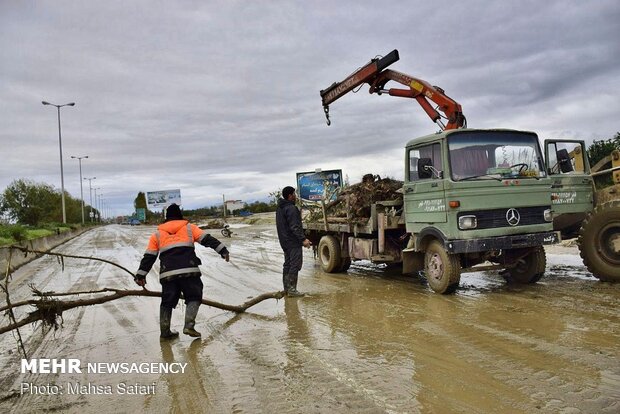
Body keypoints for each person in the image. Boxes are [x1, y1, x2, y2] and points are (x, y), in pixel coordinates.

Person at [134, 203, 230, 339]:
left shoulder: (157, 235)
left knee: (167, 301)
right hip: (189, 270)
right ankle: (189, 326)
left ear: (166, 217)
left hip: (168, 274)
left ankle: (165, 332)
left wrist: (140, 275)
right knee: (194, 296)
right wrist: (223, 250)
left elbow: (149, 257)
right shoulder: (189, 228)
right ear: (180, 215)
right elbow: (208, 240)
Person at [276, 186, 312, 297]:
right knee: (295, 265)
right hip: (292, 242)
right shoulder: (291, 208)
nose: (295, 196)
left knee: (287, 264)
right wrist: (303, 239)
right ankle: (292, 289)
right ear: (290, 196)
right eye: (294, 194)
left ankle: (286, 289)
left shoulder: (280, 208)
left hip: (284, 242)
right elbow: (295, 227)